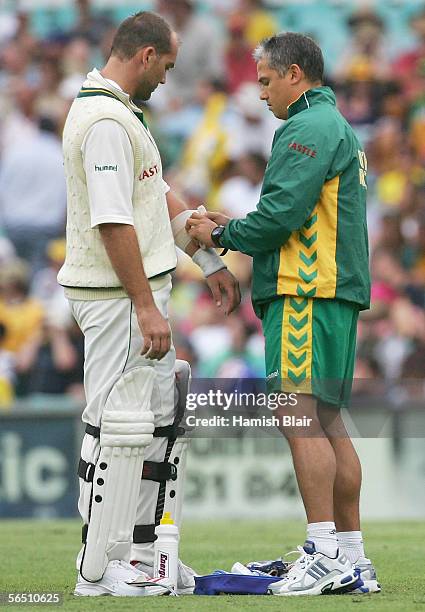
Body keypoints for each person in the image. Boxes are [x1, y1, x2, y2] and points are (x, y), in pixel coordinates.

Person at [187, 32, 380, 597]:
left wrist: (223, 232)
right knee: (328, 421)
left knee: (298, 418)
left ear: (295, 74)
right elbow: (296, 211)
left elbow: (283, 215)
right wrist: (242, 224)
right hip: (333, 293)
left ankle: (321, 552)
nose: (262, 93)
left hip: (304, 292)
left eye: (267, 81)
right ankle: (351, 557)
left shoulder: (306, 126)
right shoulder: (333, 125)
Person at [57, 11, 240, 597]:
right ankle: (97, 567)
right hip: (115, 301)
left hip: (133, 295)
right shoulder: (105, 121)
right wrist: (145, 304)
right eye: (166, 65)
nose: (167, 76)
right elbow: (114, 221)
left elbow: (157, 197)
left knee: (157, 428)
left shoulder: (122, 116)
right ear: (145, 56)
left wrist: (208, 261)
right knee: (116, 427)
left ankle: (144, 558)